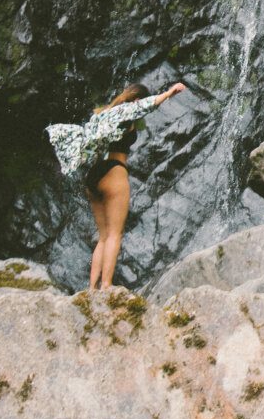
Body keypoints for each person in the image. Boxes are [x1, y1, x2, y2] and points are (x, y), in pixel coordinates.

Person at [46, 82, 187, 291]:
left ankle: (92, 289)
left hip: (94, 175)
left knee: (103, 237)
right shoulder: (127, 111)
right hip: (114, 172)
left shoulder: (104, 114)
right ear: (137, 99)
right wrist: (168, 93)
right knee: (114, 234)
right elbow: (144, 106)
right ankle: (106, 286)